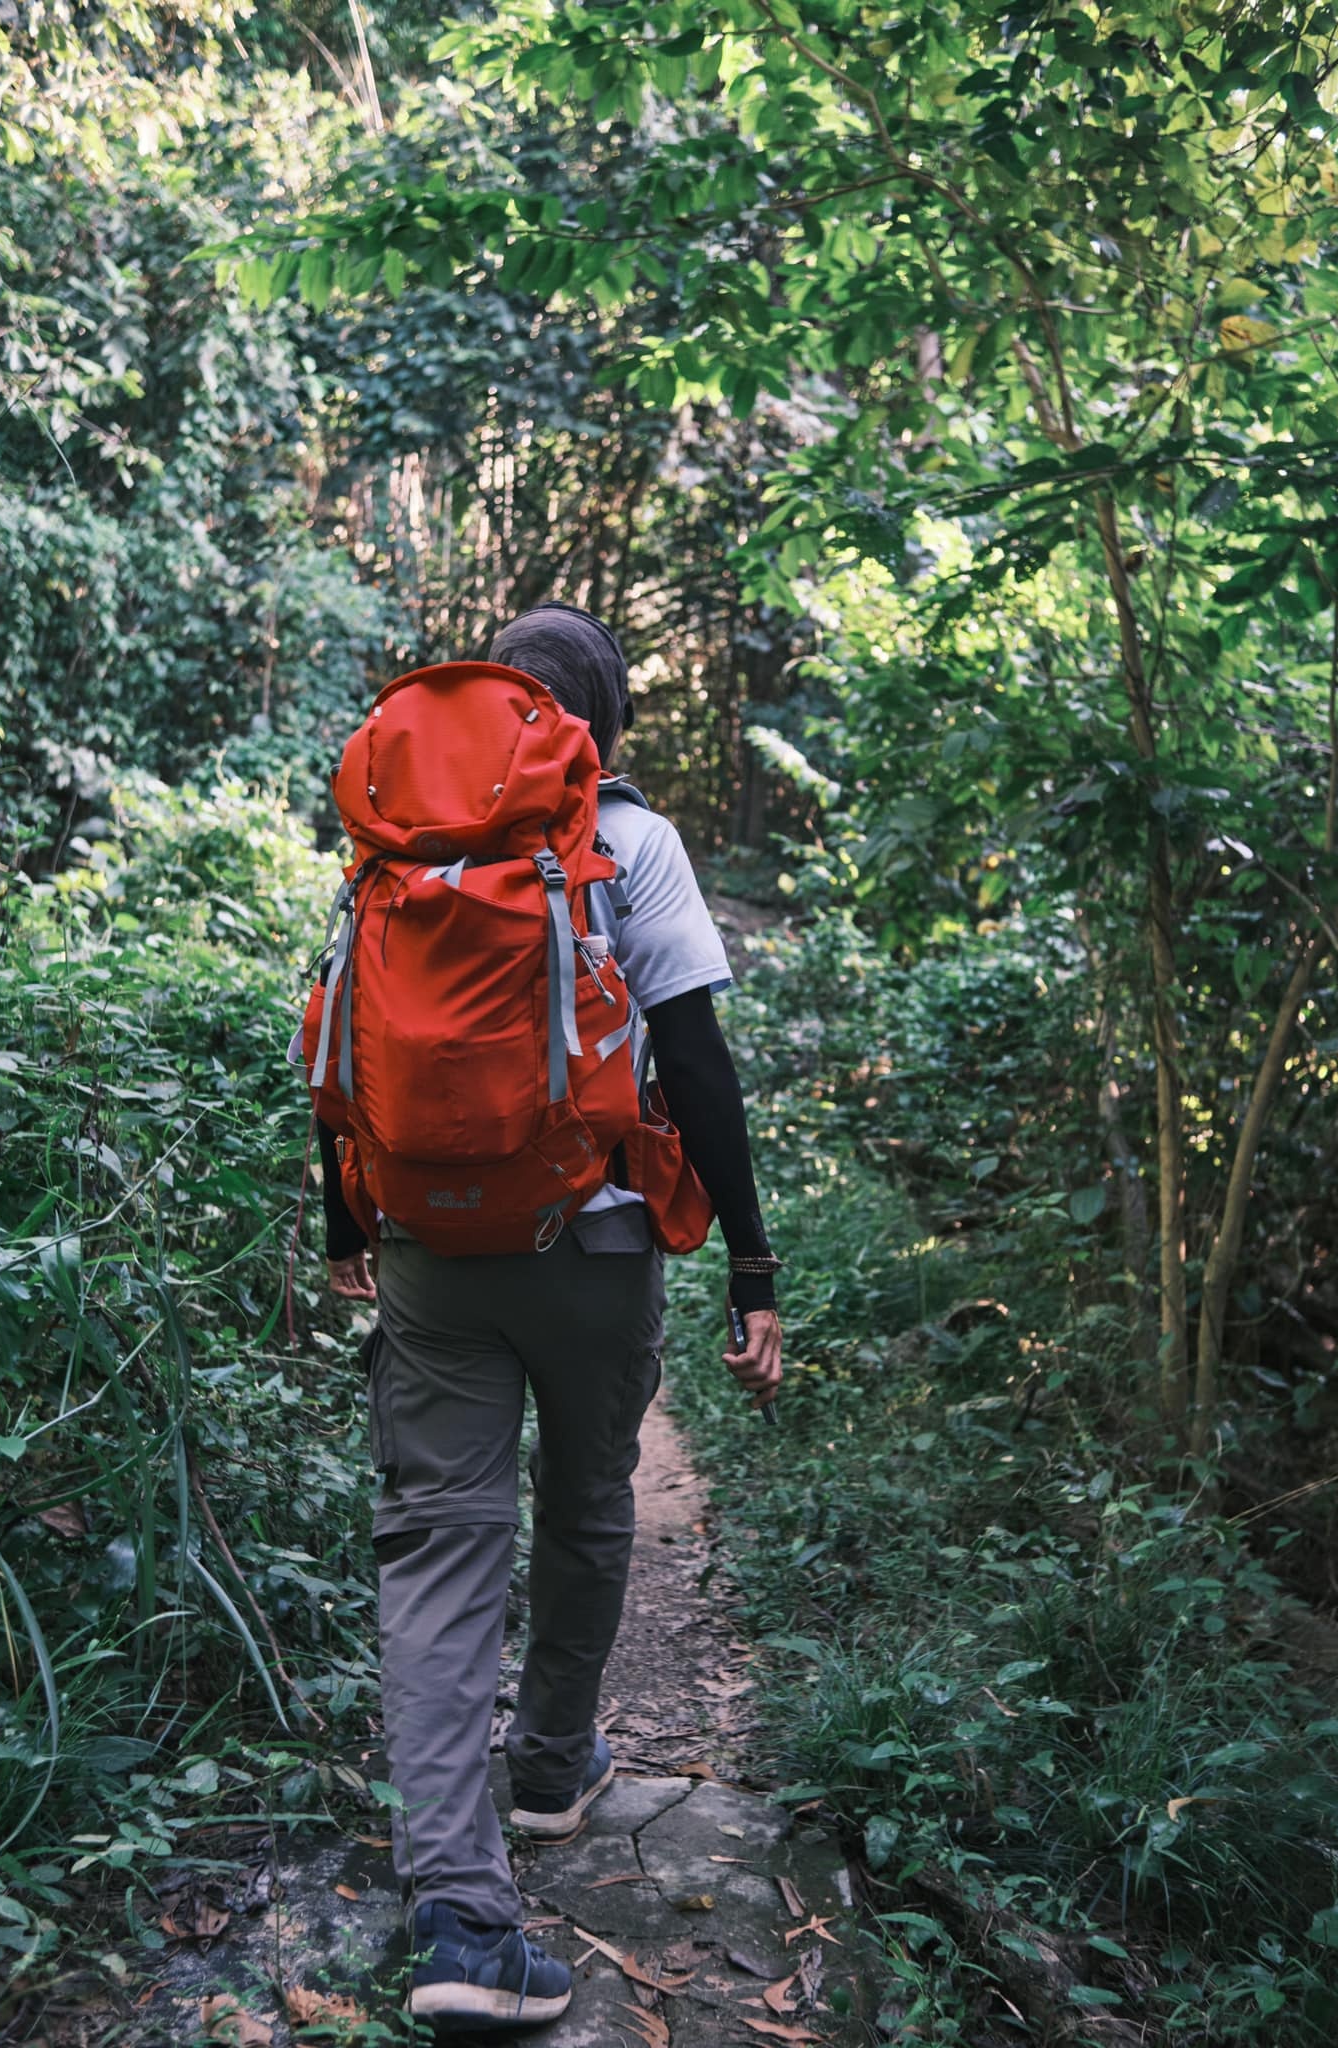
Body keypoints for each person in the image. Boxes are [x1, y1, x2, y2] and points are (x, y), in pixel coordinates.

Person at [316, 602, 783, 2031]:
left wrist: (350, 1223)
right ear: (602, 725)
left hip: (426, 1248)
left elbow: (332, 1039)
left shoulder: (394, 849)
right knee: (589, 1493)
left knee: (437, 1551)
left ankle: (459, 1907)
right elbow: (694, 1062)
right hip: (592, 1242)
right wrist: (753, 1271)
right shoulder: (626, 843)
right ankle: (554, 1761)